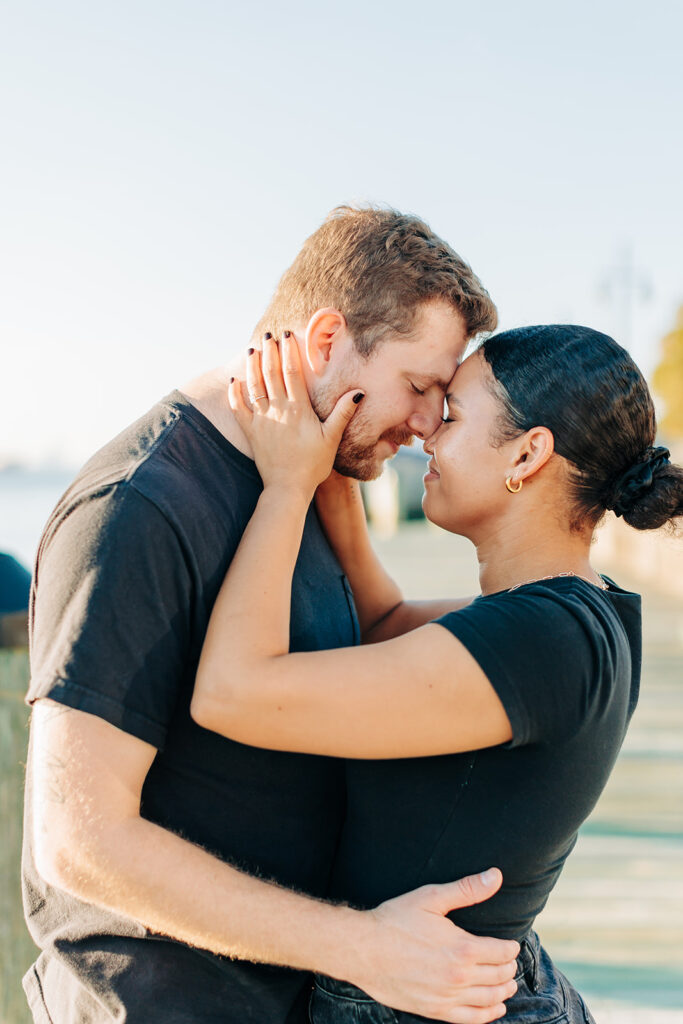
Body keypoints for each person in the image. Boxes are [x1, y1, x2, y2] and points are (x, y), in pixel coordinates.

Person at [23, 206, 522, 1024]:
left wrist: (565, 617)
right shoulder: (140, 505)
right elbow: (79, 842)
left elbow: (370, 633)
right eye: (421, 386)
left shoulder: (307, 472)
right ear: (326, 341)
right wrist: (364, 946)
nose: (430, 422)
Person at [191, 324, 683, 1023]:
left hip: (425, 1005)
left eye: (449, 414)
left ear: (527, 453)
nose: (425, 433)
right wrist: (336, 481)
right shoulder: (579, 613)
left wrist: (284, 485)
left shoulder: (538, 639)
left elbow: (231, 694)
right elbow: (386, 623)